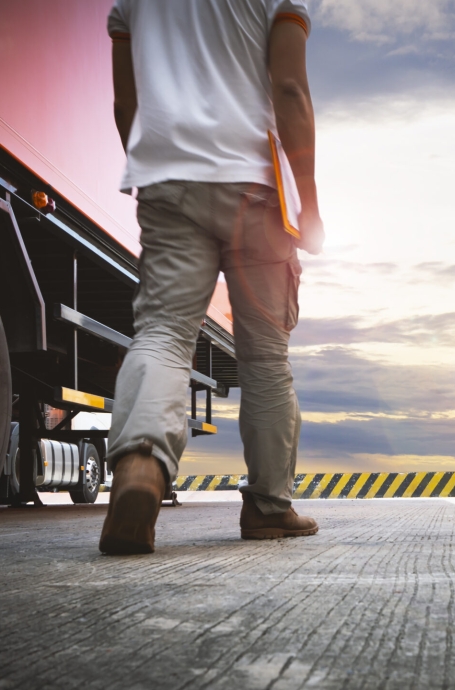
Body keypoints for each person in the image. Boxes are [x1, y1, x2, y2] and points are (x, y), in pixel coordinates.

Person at [100, 0, 324, 555]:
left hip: (169, 180)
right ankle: (269, 506)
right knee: (265, 358)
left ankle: (141, 467)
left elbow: (125, 103)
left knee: (163, 333)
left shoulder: (130, 4)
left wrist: (155, 168)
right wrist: (311, 203)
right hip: (256, 187)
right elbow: (289, 88)